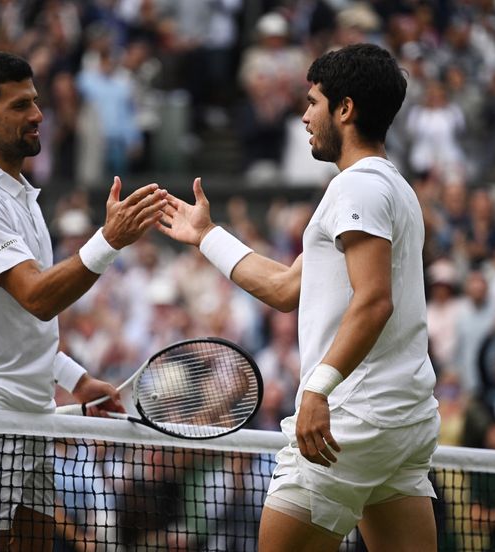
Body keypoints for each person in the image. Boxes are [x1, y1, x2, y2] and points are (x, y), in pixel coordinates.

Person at [158, 43, 439, 551]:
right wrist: (207, 236)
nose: (305, 115)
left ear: (345, 109)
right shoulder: (390, 188)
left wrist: (318, 390)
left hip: (352, 419)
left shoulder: (357, 189)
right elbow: (287, 288)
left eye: (313, 102)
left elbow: (375, 301)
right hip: (401, 425)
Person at [0, 51, 166, 552]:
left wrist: (76, 380)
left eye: (36, 101)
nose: (39, 114)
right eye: (21, 106)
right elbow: (37, 298)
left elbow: (16, 326)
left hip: (30, 417)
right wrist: (108, 241)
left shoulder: (20, 196)